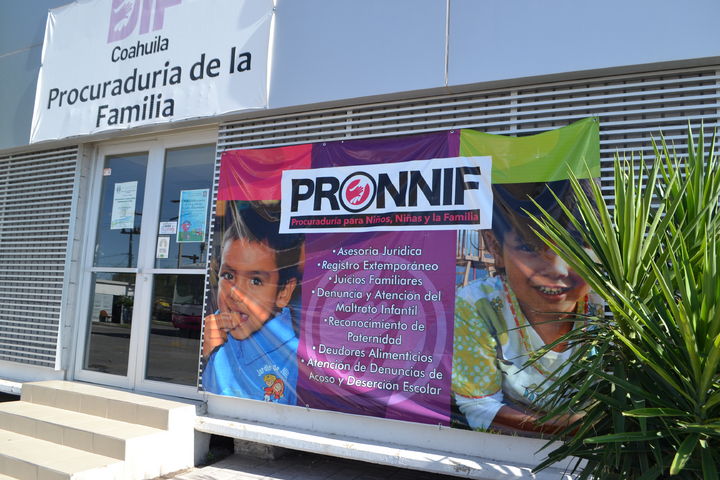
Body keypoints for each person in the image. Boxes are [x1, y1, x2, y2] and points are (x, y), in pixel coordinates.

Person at [452, 180, 604, 435]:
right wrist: (576, 427)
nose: (556, 269)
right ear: (494, 245)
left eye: (575, 246)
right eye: (530, 248)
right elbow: (480, 406)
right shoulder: (479, 305)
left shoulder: (608, 302)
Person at [201, 203, 303, 404]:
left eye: (256, 281)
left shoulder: (295, 360)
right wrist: (205, 356)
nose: (235, 294)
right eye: (228, 275)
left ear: (283, 292)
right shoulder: (213, 335)